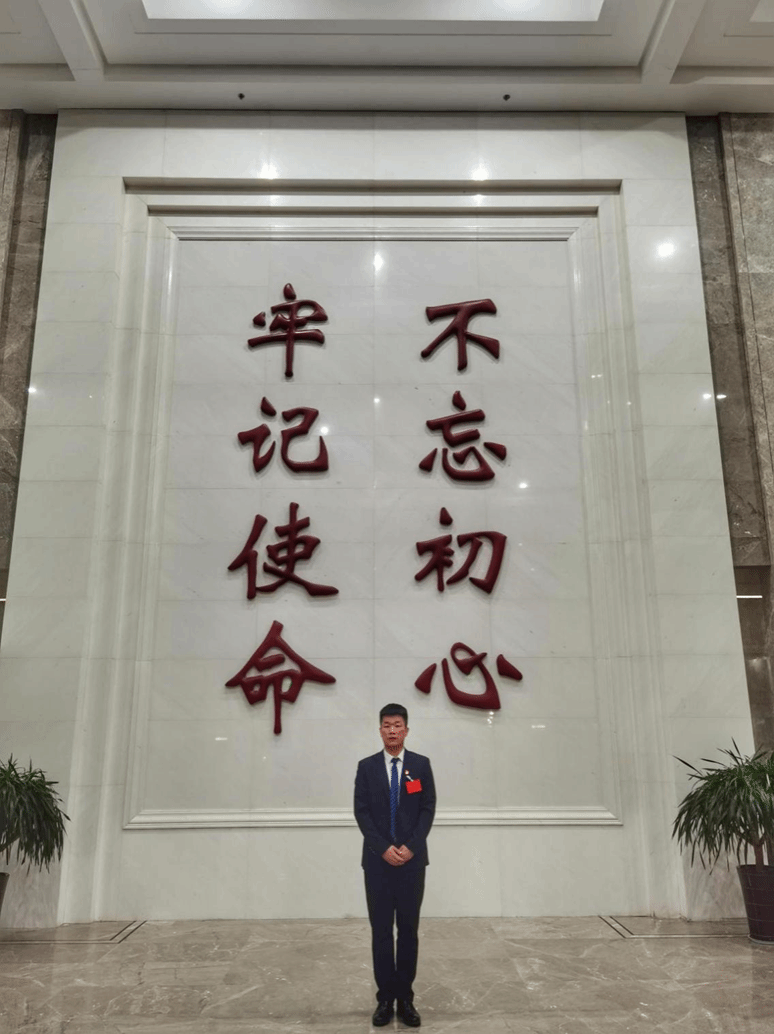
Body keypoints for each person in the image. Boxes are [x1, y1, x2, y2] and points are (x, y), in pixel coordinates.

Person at [354, 703, 436, 1028]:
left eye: (397, 725)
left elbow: (427, 808)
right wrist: (383, 848)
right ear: (380, 730)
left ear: (406, 730)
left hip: (412, 864)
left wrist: (411, 847)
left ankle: (406, 999)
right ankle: (385, 999)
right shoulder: (367, 767)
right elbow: (361, 812)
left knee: (409, 931)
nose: (392, 730)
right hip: (378, 864)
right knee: (381, 932)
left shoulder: (420, 765)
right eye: (386, 725)